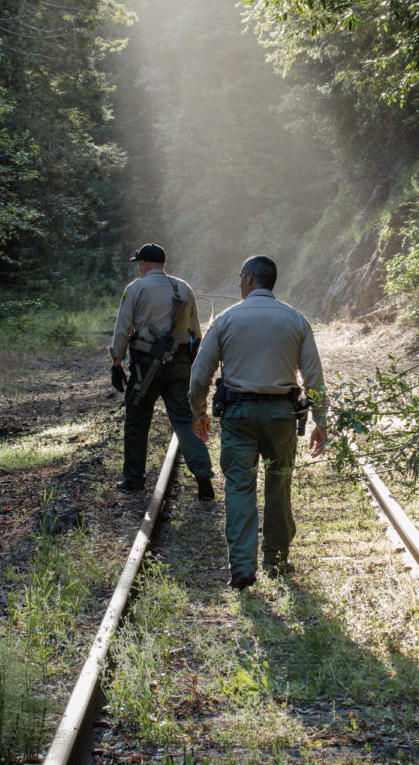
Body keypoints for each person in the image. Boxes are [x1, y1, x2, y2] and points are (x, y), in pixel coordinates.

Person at [189, 254, 327, 589]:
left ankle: (242, 569)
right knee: (279, 486)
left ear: (250, 278)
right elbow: (314, 377)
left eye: (240, 277)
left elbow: (199, 375)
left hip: (239, 416)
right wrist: (320, 420)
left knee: (239, 486)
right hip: (281, 416)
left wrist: (199, 412)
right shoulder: (296, 319)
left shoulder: (226, 320)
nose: (238, 283)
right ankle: (277, 560)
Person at [111, 242, 215, 500]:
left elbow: (123, 327)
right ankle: (203, 478)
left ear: (144, 264)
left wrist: (116, 362)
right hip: (179, 363)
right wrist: (187, 365)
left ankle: (134, 479)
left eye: (139, 263)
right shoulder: (183, 287)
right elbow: (196, 333)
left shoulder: (136, 288)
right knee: (185, 421)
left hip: (146, 364)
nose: (139, 268)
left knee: (137, 420)